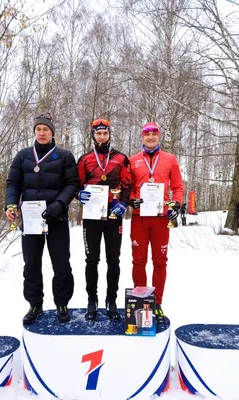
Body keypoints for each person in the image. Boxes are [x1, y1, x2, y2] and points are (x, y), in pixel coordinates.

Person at [5, 112, 79, 324]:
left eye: (45, 129)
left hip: (57, 218)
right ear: (34, 132)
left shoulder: (64, 156)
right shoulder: (23, 156)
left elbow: (72, 184)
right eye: (38, 129)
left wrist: (59, 204)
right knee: (31, 263)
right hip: (30, 220)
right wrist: (11, 204)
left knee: (61, 263)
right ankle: (35, 304)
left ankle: (62, 303)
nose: (42, 132)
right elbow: (13, 183)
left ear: (52, 132)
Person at [129, 122, 184, 322]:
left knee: (160, 261)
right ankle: (142, 301)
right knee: (138, 261)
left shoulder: (170, 159)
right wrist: (130, 200)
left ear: (159, 136)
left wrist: (176, 204)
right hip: (139, 218)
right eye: (147, 134)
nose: (150, 137)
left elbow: (177, 186)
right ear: (142, 137)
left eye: (154, 134)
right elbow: (128, 186)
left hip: (161, 218)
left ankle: (157, 302)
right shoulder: (133, 160)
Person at [77, 118, 131, 321]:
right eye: (98, 133)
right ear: (93, 135)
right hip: (91, 216)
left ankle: (112, 299)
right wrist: (78, 195)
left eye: (105, 133)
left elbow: (127, 186)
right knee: (91, 260)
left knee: (113, 260)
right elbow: (77, 184)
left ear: (109, 134)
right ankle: (92, 300)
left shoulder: (120, 158)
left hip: (113, 215)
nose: (102, 137)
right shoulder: (84, 159)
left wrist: (123, 204)